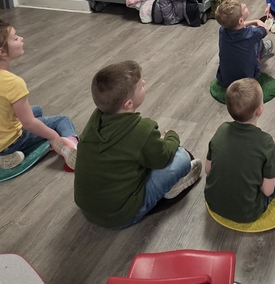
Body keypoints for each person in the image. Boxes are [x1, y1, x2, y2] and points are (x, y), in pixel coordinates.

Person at [74, 60, 202, 228]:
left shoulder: (95, 119)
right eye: (141, 85)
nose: (144, 83)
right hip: (122, 216)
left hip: (88, 210)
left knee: (138, 154)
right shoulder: (142, 130)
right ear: (128, 104)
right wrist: (172, 137)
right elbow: (162, 158)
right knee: (182, 157)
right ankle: (169, 190)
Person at [0, 18, 78, 171]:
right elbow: (29, 124)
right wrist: (53, 137)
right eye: (15, 38)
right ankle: (70, 146)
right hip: (9, 143)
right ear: (1, 52)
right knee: (61, 120)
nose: (21, 38)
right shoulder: (12, 82)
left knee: (37, 110)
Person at [204, 78, 275, 223]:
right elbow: (267, 191)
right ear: (259, 110)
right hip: (248, 212)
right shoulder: (265, 141)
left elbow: (208, 169)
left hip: (213, 202)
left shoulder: (221, 129)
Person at [215, 0, 273, 87]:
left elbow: (237, 25)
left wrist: (255, 21)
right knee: (257, 37)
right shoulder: (252, 33)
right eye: (244, 8)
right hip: (248, 81)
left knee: (251, 35)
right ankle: (263, 50)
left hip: (224, 80)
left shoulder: (222, 31)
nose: (245, 5)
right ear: (241, 21)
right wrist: (260, 23)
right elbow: (265, 30)